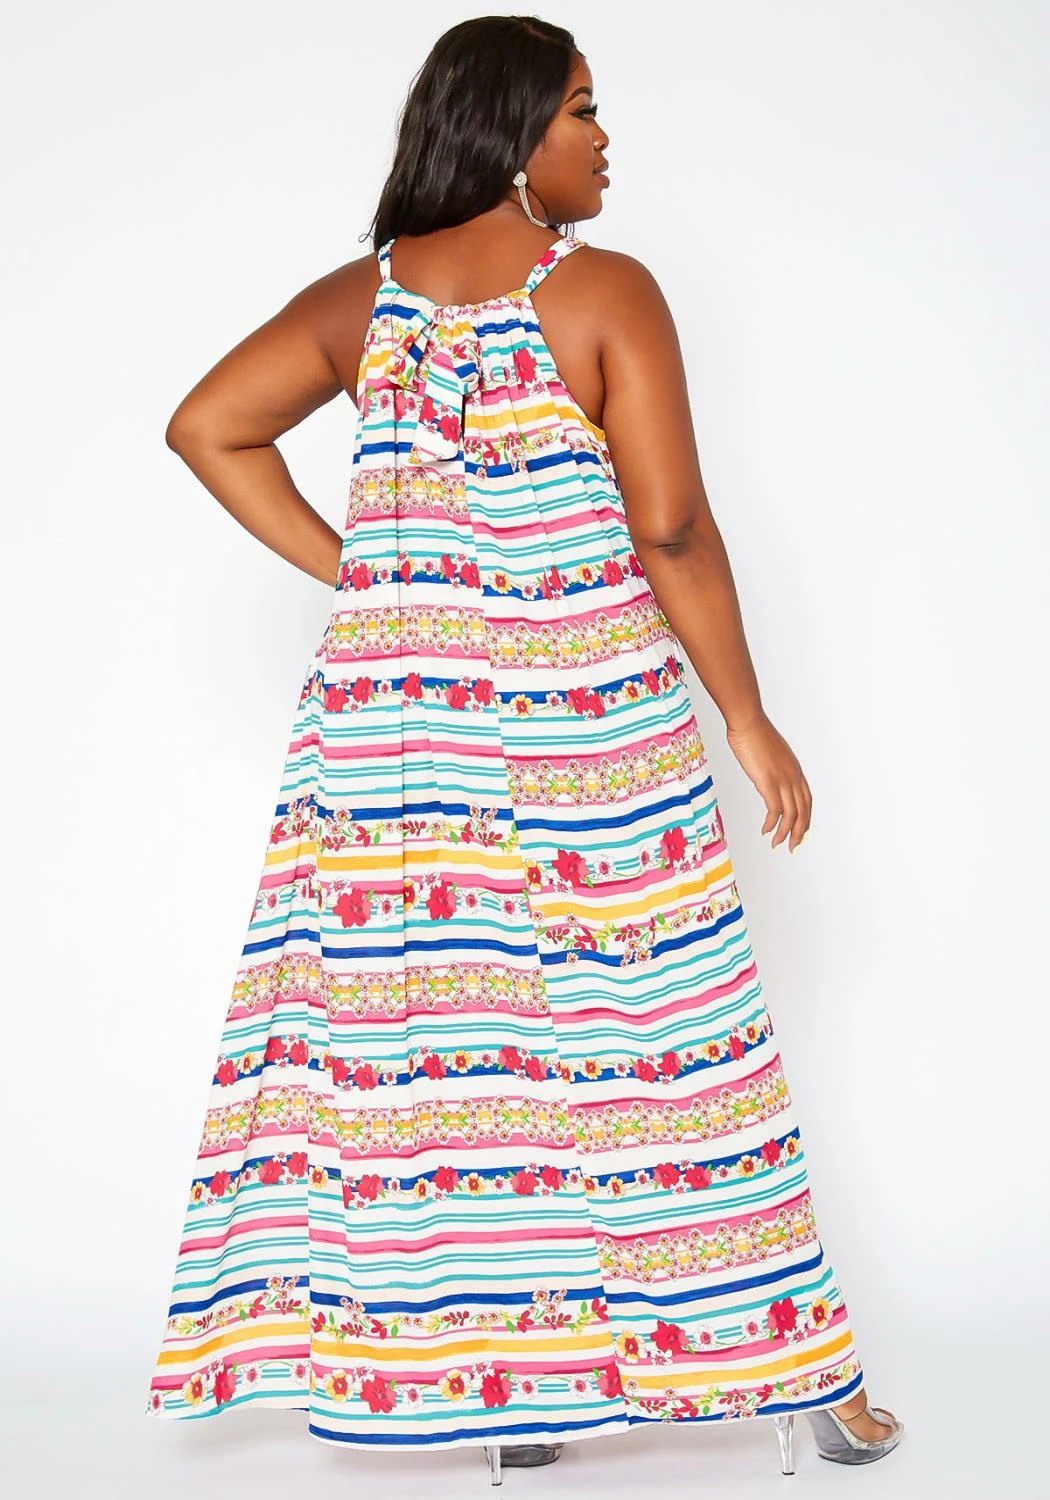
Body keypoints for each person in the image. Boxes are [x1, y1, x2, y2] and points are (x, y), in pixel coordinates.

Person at [146, 12, 903, 1481]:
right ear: (509, 133)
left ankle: (512, 1400)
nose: (603, 139)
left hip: (397, 744)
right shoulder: (604, 289)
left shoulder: (355, 302)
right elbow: (668, 527)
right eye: (580, 109)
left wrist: (379, 582)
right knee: (674, 1057)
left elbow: (207, 426)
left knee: (449, 1074)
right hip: (586, 729)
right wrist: (746, 714)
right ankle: (809, 1389)